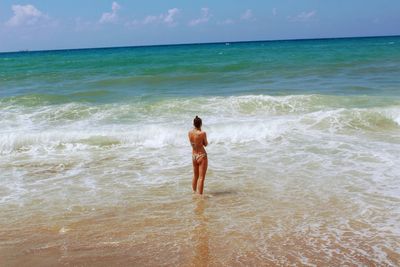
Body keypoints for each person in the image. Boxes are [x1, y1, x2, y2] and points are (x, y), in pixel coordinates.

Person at [188, 116, 208, 195]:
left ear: (193, 124)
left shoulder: (190, 133)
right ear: (201, 124)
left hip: (194, 156)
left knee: (195, 176)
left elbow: (193, 143)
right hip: (201, 155)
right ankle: (200, 196)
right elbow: (205, 144)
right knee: (201, 178)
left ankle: (194, 193)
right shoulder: (202, 133)